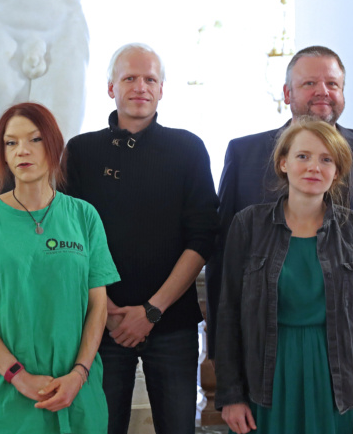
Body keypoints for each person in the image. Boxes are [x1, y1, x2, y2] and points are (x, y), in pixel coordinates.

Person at [206, 45, 353, 366]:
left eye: (332, 84)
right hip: (269, 339)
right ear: (287, 93)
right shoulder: (246, 154)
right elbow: (223, 254)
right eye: (309, 83)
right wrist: (221, 346)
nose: (322, 92)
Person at [0, 102, 120, 433]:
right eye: (11, 142)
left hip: (76, 391)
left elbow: (98, 305)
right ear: (2, 153)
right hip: (4, 396)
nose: (23, 151)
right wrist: (17, 376)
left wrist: (79, 373)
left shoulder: (84, 216)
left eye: (34, 140)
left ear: (54, 146)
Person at [64, 43, 220, 434]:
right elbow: (69, 238)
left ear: (162, 89)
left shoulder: (188, 148)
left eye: (150, 78)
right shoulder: (81, 151)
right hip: (102, 322)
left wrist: (151, 311)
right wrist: (109, 309)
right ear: (110, 87)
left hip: (173, 323)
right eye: (129, 78)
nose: (140, 87)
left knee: (179, 427)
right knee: (100, 426)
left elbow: (202, 239)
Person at [215, 120, 353, 434]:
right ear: (283, 163)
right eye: (303, 156)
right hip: (266, 376)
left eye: (327, 159)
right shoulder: (248, 225)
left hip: (337, 380)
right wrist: (231, 395)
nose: (315, 166)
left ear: (337, 171)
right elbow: (229, 313)